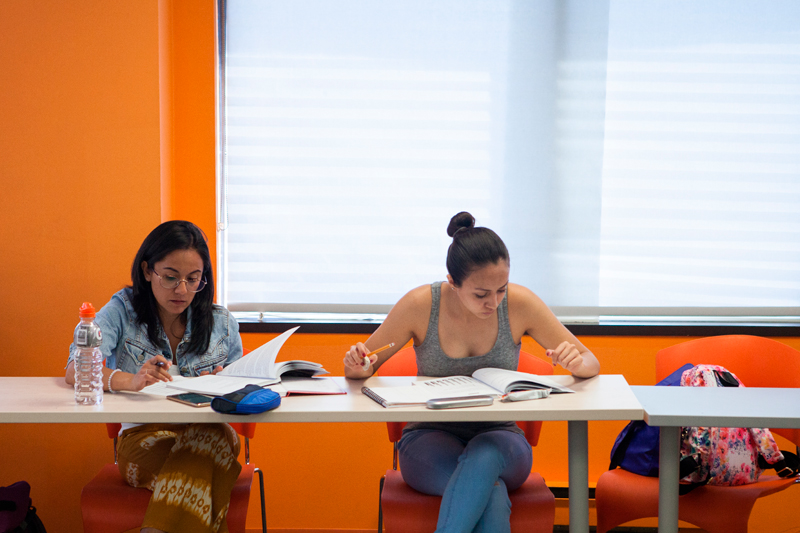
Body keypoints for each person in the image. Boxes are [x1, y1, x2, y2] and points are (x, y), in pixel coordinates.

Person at [344, 211, 600, 533]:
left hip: (503, 440)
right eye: (481, 294)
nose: (493, 302)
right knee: (489, 493)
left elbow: (592, 362)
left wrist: (577, 363)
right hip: (426, 439)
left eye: (501, 290)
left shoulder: (520, 304)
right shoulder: (420, 304)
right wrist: (356, 366)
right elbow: (362, 368)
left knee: (485, 453)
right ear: (452, 282)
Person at [65, 220, 243, 533]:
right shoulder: (122, 311)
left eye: (193, 279)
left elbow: (243, 388)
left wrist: (226, 381)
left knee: (210, 438)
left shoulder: (221, 323)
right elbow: (74, 369)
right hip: (144, 439)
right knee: (206, 463)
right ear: (148, 271)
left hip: (212, 431)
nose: (183, 290)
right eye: (171, 277)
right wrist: (129, 380)